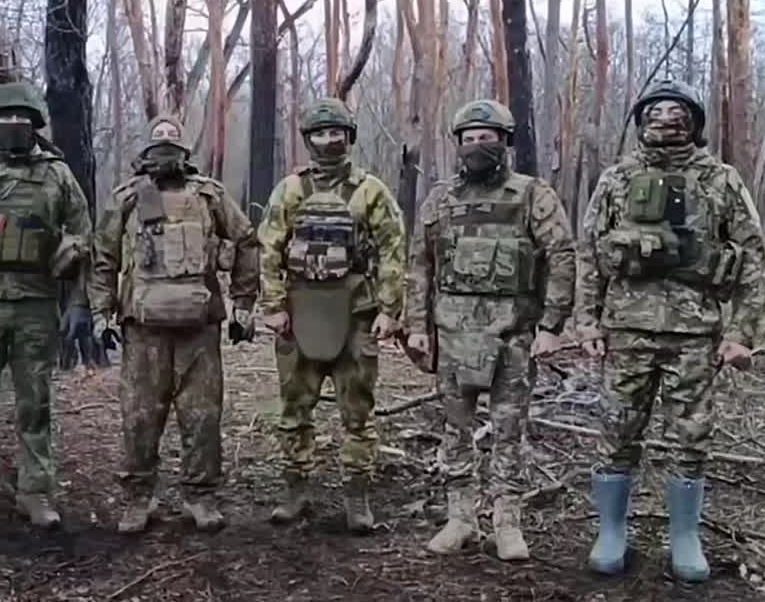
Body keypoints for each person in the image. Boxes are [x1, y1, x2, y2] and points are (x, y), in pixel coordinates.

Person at [577, 80, 765, 582]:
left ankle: (685, 536)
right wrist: (586, 321)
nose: (665, 119)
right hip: (626, 328)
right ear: (640, 120)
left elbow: (751, 258)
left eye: (677, 111)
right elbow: (590, 253)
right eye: (655, 111)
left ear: (695, 122)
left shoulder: (720, 180)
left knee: (692, 437)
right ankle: (611, 532)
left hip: (695, 331)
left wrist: (742, 332)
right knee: (616, 431)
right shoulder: (618, 178)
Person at [402, 99, 575, 561]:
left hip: (512, 335)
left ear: (505, 142)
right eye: (470, 138)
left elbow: (561, 256)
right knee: (455, 430)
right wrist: (416, 326)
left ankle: (507, 522)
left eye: (488, 138)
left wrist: (552, 324)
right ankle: (460, 518)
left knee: (509, 430)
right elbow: (419, 264)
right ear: (458, 144)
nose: (478, 146)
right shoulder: (441, 199)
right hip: (453, 334)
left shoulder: (532, 195)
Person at [89, 115, 260, 534]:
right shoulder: (129, 197)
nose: (165, 144)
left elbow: (246, 240)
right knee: (139, 416)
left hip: (199, 326)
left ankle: (200, 496)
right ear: (146, 149)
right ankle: (138, 498)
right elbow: (103, 256)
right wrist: (101, 312)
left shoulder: (210, 195)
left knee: (202, 416)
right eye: (158, 138)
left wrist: (244, 302)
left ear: (185, 150)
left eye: (172, 138)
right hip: (142, 327)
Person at [0, 81, 94, 535]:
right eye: (6, 119)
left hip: (36, 304)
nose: (14, 126)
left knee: (35, 404)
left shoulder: (57, 175)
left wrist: (79, 303)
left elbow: (82, 239)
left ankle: (36, 492)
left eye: (22, 119)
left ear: (35, 125)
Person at [256, 96, 406, 533]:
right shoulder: (290, 189)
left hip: (356, 312)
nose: (328, 141)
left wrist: (390, 309)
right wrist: (273, 306)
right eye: (320, 134)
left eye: (336, 132)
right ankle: (295, 490)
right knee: (293, 409)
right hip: (299, 311)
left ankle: (357, 497)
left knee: (357, 412)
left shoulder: (370, 190)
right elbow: (269, 249)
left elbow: (393, 249)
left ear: (349, 137)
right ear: (308, 140)